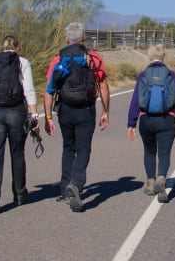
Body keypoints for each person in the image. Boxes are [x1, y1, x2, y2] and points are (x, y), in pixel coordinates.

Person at [43, 22, 110, 212]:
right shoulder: (93, 58)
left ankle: (65, 189)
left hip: (65, 109)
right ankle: (76, 183)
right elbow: (103, 86)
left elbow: (48, 91)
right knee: (83, 149)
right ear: (83, 38)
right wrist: (106, 111)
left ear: (66, 39)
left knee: (68, 147)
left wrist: (48, 117)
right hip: (86, 110)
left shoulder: (58, 59)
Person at [127, 45, 175, 203]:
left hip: (146, 120)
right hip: (166, 120)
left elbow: (136, 101)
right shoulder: (171, 75)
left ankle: (149, 183)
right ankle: (161, 180)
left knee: (149, 151)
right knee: (164, 153)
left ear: (149, 58)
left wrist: (131, 123)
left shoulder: (143, 75)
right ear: (164, 58)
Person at [0, 35, 39, 215]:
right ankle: (20, 193)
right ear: (18, 46)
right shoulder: (22, 62)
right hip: (16, 112)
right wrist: (34, 115)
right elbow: (28, 89)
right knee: (17, 153)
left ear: (2, 47)